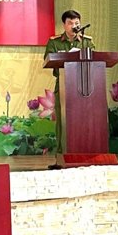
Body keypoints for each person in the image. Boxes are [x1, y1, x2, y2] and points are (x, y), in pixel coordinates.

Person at [44, 9, 95, 154]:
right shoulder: (54, 42)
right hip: (64, 85)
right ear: (64, 25)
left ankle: (86, 150)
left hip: (85, 86)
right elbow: (48, 60)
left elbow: (95, 61)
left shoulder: (87, 41)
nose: (74, 25)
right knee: (62, 119)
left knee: (85, 118)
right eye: (70, 23)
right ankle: (61, 152)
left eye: (77, 23)